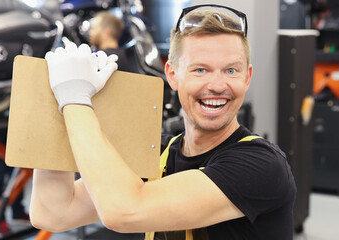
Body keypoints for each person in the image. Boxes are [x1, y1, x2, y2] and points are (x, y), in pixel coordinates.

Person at [30, 4, 297, 240]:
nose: (217, 85)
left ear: (247, 78)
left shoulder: (261, 165)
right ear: (172, 74)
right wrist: (54, 105)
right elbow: (53, 212)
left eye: (231, 70)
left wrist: (74, 98)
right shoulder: (156, 154)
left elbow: (124, 211)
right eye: (200, 70)